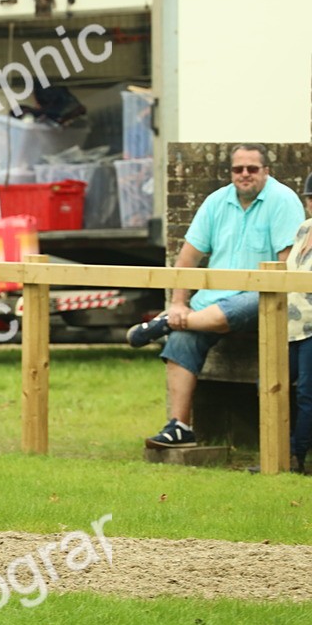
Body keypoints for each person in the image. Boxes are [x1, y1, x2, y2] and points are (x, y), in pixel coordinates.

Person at [129, 145, 304, 448]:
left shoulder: (283, 200)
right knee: (183, 339)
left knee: (240, 306)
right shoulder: (216, 202)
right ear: (231, 173)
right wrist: (179, 303)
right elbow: (187, 259)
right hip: (210, 304)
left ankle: (168, 323)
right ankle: (180, 427)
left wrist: (178, 315)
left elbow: (286, 268)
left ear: (266, 171)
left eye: (252, 168)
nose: (245, 174)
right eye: (238, 169)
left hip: (267, 298)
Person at [285, 173, 312, 474]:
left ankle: (296, 455)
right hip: (289, 323)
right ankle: (275, 449)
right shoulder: (304, 229)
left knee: (307, 391)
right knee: (268, 384)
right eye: (310, 198)